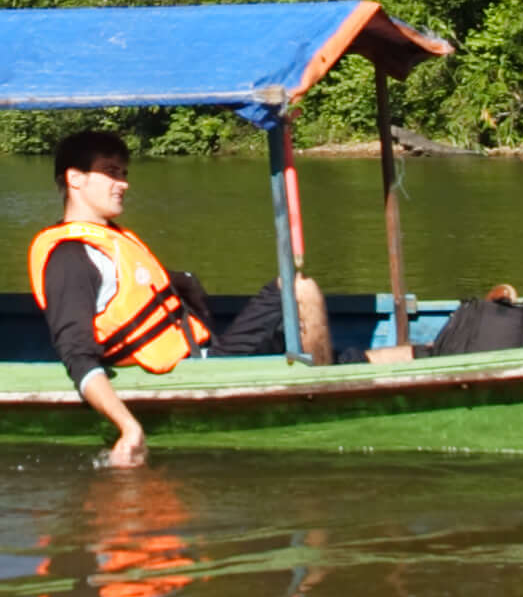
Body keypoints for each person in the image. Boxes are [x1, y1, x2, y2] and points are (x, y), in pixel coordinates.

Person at [28, 129, 334, 468]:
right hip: (197, 367)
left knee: (310, 303)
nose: (124, 183)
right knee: (298, 289)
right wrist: (129, 427)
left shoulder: (112, 241)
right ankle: (325, 407)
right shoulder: (70, 257)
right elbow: (77, 355)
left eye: (124, 173)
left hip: (205, 354)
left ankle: (333, 382)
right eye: (111, 171)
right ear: (75, 179)